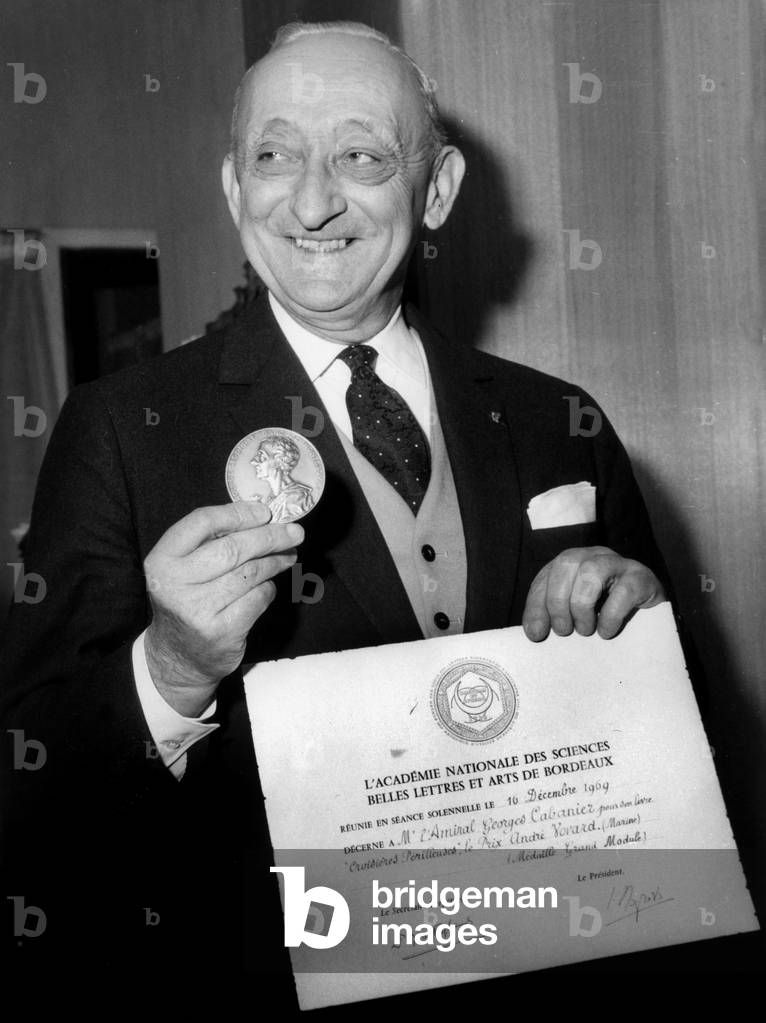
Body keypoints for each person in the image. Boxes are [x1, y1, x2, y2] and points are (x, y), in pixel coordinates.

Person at [0, 20, 669, 993]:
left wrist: (634, 628)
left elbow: (657, 738)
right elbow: (29, 801)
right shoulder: (120, 428)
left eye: (358, 154)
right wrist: (170, 671)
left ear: (434, 190)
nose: (312, 201)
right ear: (237, 190)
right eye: (274, 156)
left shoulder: (556, 420)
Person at [250, 435, 315, 522]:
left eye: (262, 456)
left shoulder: (295, 500)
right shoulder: (275, 496)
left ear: (280, 462)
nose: (253, 461)